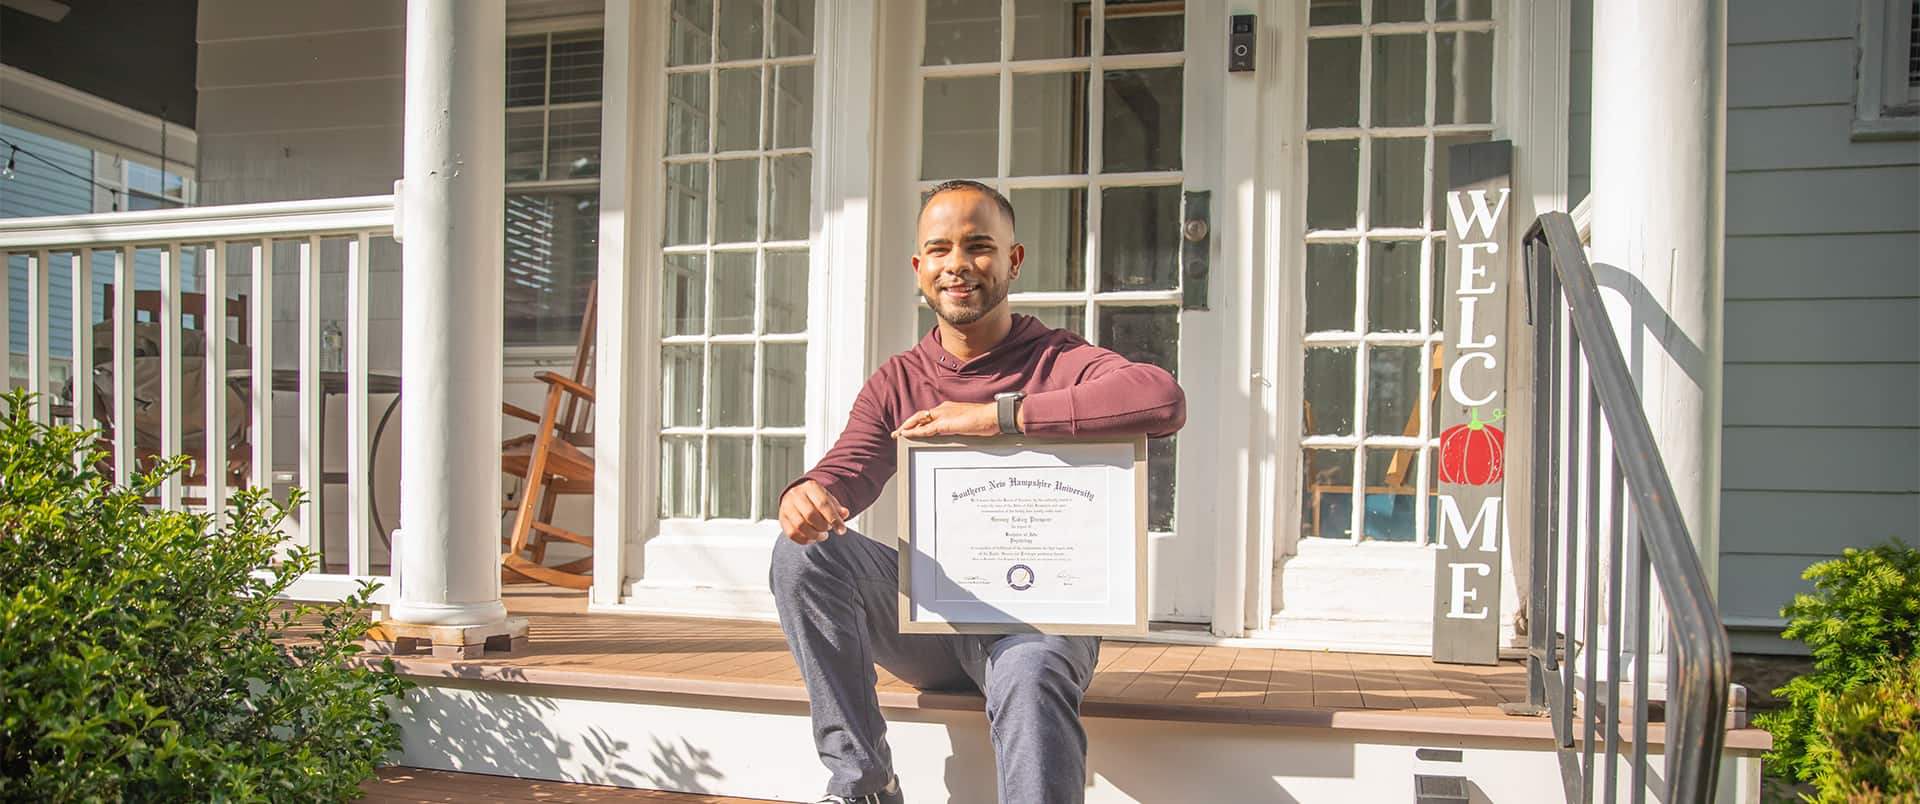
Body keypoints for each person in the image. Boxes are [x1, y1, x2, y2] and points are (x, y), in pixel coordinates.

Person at [770, 179, 1186, 804]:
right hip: (936, 622)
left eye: (979, 246)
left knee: (1030, 667)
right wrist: (808, 492)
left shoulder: (1061, 359)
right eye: (939, 249)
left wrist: (1000, 416)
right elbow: (848, 468)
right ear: (919, 268)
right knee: (801, 553)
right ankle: (862, 785)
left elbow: (1160, 399)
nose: (957, 265)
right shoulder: (899, 380)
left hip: (1041, 624)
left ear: (1013, 260)